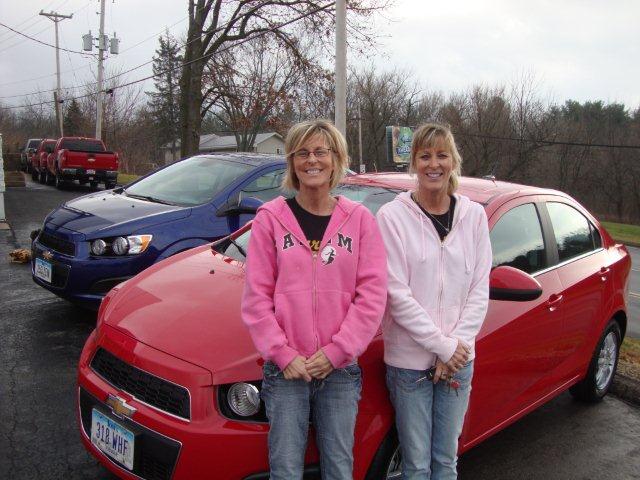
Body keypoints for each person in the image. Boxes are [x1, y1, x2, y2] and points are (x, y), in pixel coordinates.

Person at [241, 119, 387, 479]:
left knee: (338, 468)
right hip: (286, 371)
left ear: (336, 159)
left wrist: (338, 352)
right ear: (292, 162)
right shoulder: (271, 219)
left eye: (321, 151)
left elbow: (371, 296)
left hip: (339, 372)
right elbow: (256, 297)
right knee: (285, 470)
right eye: (302, 152)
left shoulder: (360, 220)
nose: (312, 160)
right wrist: (283, 354)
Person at [376, 123, 492, 479]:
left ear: (453, 161)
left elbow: (479, 287)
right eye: (424, 156)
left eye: (442, 155)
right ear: (414, 162)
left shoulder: (473, 217)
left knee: (445, 461)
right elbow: (396, 294)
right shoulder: (391, 218)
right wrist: (441, 346)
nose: (433, 164)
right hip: (410, 363)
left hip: (459, 359)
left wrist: (455, 347)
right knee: (416, 464)